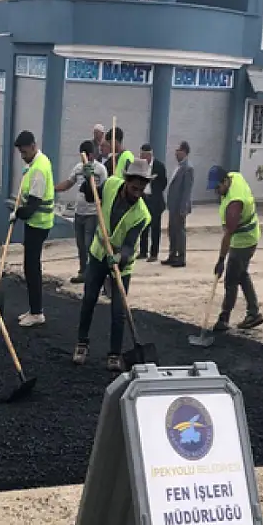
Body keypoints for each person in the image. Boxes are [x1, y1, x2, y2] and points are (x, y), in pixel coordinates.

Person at [73, 159, 153, 372]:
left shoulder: (142, 215)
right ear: (127, 181)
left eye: (142, 188)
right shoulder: (109, 185)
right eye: (135, 187)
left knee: (118, 310)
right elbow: (91, 197)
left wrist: (119, 258)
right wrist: (87, 179)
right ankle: (82, 344)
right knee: (89, 298)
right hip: (99, 254)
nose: (138, 192)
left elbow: (129, 245)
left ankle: (114, 354)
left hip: (122, 263)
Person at [209, 165, 263, 333]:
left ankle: (224, 318)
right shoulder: (235, 176)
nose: (217, 191)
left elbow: (228, 235)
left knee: (231, 279)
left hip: (243, 241)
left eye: (218, 187)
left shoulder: (234, 204)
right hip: (251, 234)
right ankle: (254, 312)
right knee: (241, 273)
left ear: (225, 181)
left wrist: (220, 260)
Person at [11, 130, 56, 328]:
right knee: (30, 266)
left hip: (38, 223)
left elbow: (31, 209)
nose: (22, 156)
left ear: (32, 146)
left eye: (24, 152)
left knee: (31, 268)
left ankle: (37, 312)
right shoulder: (37, 163)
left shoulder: (39, 169)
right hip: (36, 223)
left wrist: (17, 213)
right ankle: (33, 309)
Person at [54, 140, 108, 284]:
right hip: (79, 213)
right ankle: (83, 271)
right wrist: (53, 188)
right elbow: (68, 183)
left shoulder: (100, 169)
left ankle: (92, 273)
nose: (83, 158)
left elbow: (105, 189)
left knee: (89, 244)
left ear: (91, 155)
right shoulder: (78, 168)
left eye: (85, 155)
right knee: (80, 245)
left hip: (92, 213)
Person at [163, 141, 194, 267]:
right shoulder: (179, 166)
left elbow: (187, 191)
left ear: (184, 152)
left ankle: (181, 257)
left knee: (179, 231)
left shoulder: (188, 168)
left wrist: (183, 207)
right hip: (173, 205)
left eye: (178, 150)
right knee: (172, 231)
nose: (176, 153)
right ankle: (172, 254)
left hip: (180, 206)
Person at [137, 144, 168, 262]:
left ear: (149, 155)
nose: (142, 157)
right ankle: (143, 251)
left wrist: (155, 189)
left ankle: (154, 253)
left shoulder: (159, 166)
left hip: (155, 200)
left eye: (144, 155)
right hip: (143, 198)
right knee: (143, 226)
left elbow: (164, 183)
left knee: (155, 228)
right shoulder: (141, 166)